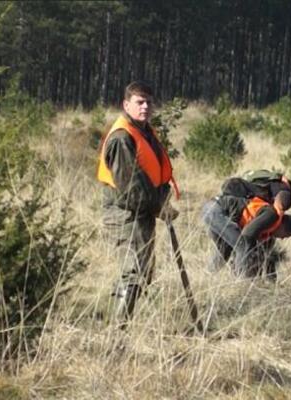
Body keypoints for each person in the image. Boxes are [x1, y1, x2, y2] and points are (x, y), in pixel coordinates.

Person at [97, 80, 179, 321]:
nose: (145, 107)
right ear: (126, 105)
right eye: (139, 102)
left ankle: (116, 322)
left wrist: (162, 200)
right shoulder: (122, 138)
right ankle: (116, 329)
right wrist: (159, 208)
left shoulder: (145, 132)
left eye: (149, 103)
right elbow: (131, 189)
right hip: (124, 212)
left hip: (142, 212)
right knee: (133, 271)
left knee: (143, 271)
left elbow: (153, 174)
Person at [202, 190, 291, 279]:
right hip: (216, 210)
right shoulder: (272, 215)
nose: (282, 238)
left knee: (225, 250)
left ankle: (208, 276)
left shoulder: (269, 233)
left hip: (211, 210)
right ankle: (241, 283)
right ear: (283, 227)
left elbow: (267, 259)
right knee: (242, 245)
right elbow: (247, 233)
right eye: (286, 235)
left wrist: (272, 281)